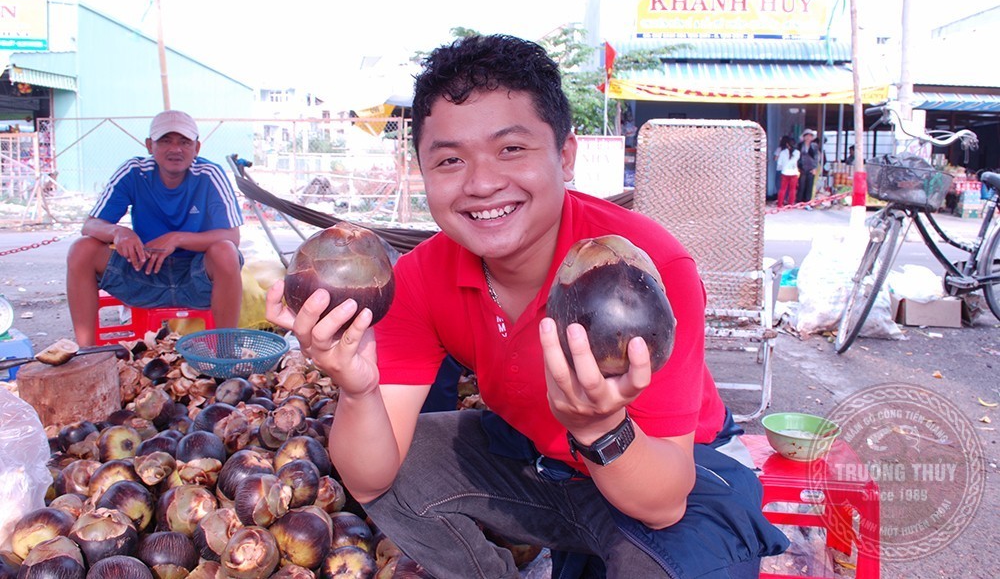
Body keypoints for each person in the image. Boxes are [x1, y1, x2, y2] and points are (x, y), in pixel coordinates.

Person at [266, 35, 788, 578]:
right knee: (402, 461)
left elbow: (662, 504)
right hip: (546, 466)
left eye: (511, 149)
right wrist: (358, 387)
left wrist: (602, 426)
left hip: (672, 473)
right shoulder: (420, 276)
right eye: (449, 160)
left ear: (565, 154)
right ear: (422, 172)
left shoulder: (643, 268)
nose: (483, 183)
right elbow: (371, 481)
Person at [66, 110, 244, 347]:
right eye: (165, 141)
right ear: (150, 145)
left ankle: (225, 352)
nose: (175, 149)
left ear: (197, 148)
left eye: (184, 142)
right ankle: (85, 352)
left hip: (197, 280)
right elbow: (90, 225)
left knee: (225, 251)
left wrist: (177, 238)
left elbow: (232, 236)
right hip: (144, 272)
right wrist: (119, 232)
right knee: (81, 249)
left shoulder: (210, 174)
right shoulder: (133, 171)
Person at [774, 135, 800, 208]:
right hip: (794, 173)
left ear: (787, 144)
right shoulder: (797, 152)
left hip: (784, 173)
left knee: (782, 189)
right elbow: (796, 161)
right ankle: (790, 204)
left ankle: (780, 204)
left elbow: (779, 163)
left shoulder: (782, 152)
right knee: (792, 190)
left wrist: (783, 167)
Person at [796, 129, 820, 207]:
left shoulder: (814, 146)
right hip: (802, 167)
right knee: (801, 185)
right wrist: (797, 167)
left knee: (809, 185)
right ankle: (799, 202)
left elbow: (816, 157)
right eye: (807, 136)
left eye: (810, 136)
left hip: (811, 167)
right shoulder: (800, 145)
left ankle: (807, 203)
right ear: (804, 137)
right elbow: (797, 156)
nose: (808, 137)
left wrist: (815, 168)